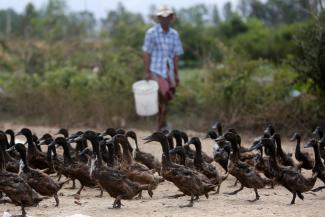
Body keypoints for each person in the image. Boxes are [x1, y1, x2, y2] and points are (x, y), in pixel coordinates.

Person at [142, 5, 184, 130]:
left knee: (166, 98)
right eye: (162, 17)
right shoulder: (151, 33)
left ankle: (162, 124)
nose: (165, 19)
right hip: (155, 69)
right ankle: (160, 125)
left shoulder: (174, 35)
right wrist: (147, 72)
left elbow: (176, 55)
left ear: (171, 18)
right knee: (161, 95)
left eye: (168, 17)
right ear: (159, 19)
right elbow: (146, 53)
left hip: (168, 71)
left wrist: (176, 75)